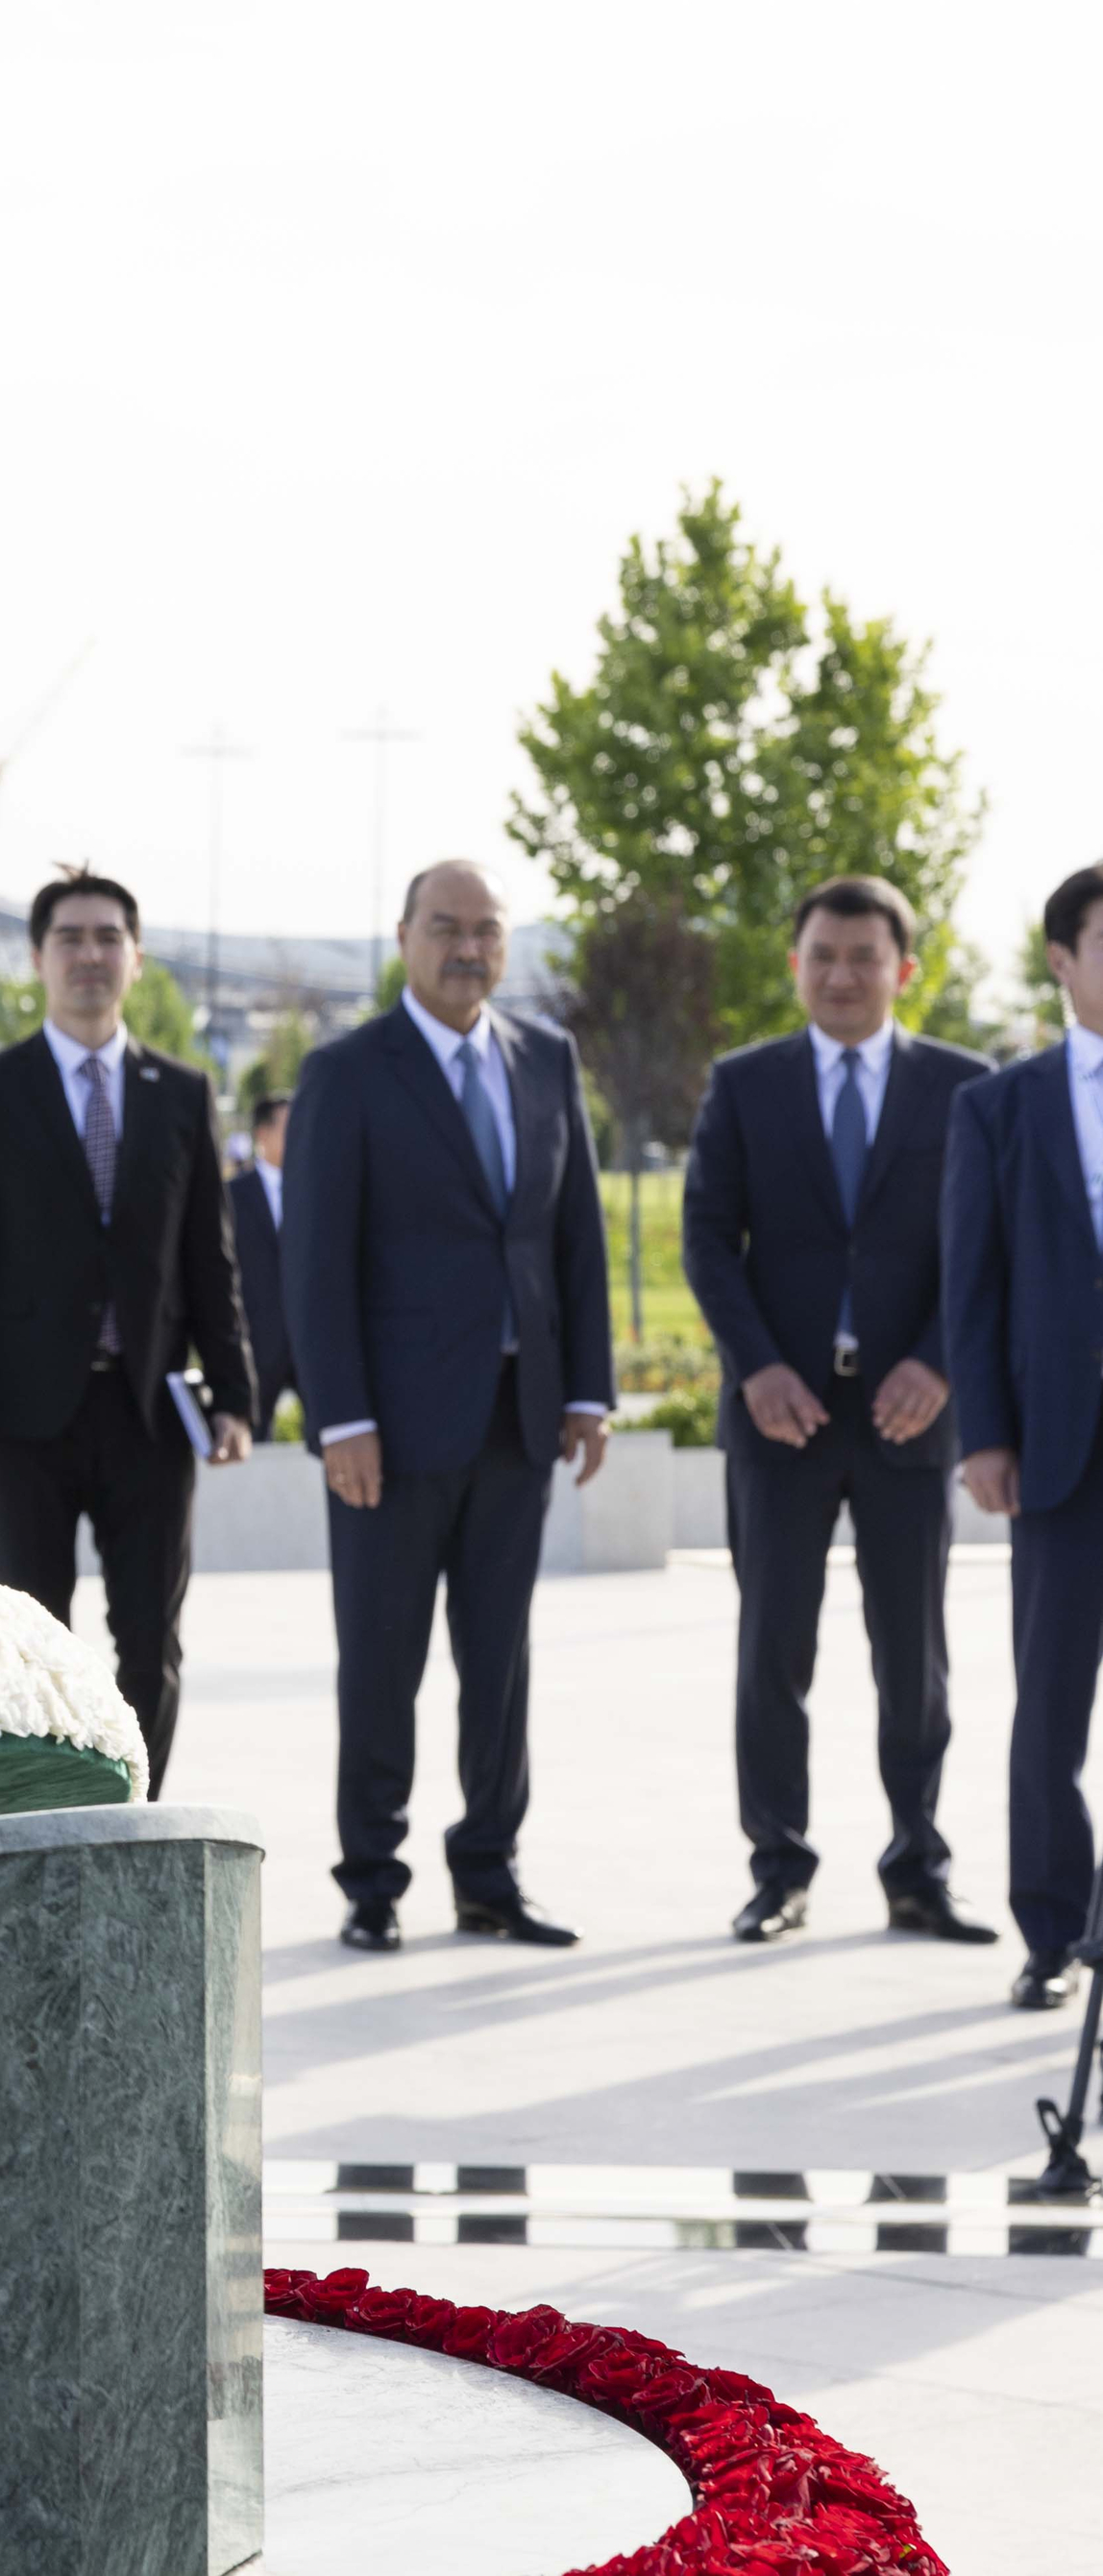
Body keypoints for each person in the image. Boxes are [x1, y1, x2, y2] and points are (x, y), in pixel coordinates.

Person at [284, 858, 613, 1953]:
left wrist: (585, 1390)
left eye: (485, 929)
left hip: (518, 1422)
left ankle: (488, 1874)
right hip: (388, 1431)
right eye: (443, 926)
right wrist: (340, 1418)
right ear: (402, 936)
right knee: (381, 1659)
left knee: (499, 1663)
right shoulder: (348, 1072)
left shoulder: (545, 1059)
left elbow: (575, 1238)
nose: (466, 946)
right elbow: (313, 1263)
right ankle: (372, 1881)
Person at [682, 877, 993, 1948]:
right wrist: (756, 1368)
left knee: (914, 1660)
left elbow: (984, 1250)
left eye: (864, 957)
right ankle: (778, 1868)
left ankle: (917, 1865)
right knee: (773, 1651)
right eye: (821, 955)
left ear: (905, 969)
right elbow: (706, 1239)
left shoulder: (963, 1088)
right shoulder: (744, 1084)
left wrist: (941, 1366)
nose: (842, 975)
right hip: (781, 1420)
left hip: (910, 1419)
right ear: (794, 964)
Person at [0, 870, 256, 1797]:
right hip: (22, 1414)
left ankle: (134, 1815)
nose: (91, 955)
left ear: (136, 959)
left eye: (110, 938)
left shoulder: (181, 1093)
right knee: (30, 1629)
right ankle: (49, 1810)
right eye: (71, 938)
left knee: (151, 1639)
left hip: (150, 1412)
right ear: (38, 959)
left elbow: (209, 1261)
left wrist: (234, 1396)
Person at [941, 865, 1103, 2009]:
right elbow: (973, 1285)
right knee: (1048, 1703)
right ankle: (1051, 1933)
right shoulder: (998, 1107)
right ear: (1061, 958)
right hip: (1059, 1450)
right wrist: (983, 1434)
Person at [230, 1097, 298, 1441]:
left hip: (309, 1343)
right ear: (263, 1134)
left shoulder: (318, 1189)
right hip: (257, 1343)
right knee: (253, 1444)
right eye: (290, 1127)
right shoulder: (231, 1196)